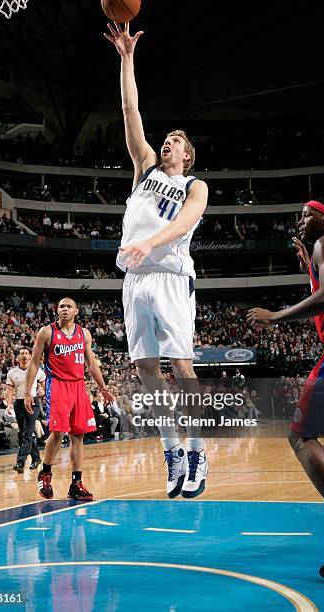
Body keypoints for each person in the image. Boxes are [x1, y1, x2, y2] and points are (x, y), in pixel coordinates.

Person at [105, 21, 209, 499]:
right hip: (135, 279)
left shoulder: (193, 185)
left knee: (182, 366)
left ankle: (197, 449)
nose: (166, 142)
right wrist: (127, 57)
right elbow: (131, 108)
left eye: (175, 141)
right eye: (164, 139)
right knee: (147, 370)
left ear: (188, 155)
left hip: (169, 275)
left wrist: (151, 242)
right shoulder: (143, 168)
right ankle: (170, 451)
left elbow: (186, 222)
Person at [247, 197, 324, 579]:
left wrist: (276, 317)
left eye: (306, 215)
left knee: (301, 435)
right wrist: (311, 270)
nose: (300, 221)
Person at [24, 297, 114, 501]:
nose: (65, 309)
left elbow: (91, 364)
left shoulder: (84, 334)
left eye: (69, 306)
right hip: (57, 385)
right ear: (57, 311)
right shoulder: (47, 332)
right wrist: (28, 392)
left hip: (78, 385)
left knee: (78, 435)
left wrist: (103, 387)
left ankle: (76, 483)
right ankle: (45, 473)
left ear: (76, 311)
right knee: (57, 432)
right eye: (61, 306)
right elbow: (34, 363)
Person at [6, 347, 45, 473]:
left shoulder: (37, 370)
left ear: (30, 356)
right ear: (18, 357)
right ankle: (36, 458)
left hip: (33, 402)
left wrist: (47, 396)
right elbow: (9, 390)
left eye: (26, 353)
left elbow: (46, 384)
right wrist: (9, 404)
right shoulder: (12, 373)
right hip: (19, 403)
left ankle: (20, 462)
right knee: (24, 433)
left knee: (27, 432)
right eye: (22, 353)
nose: (24, 355)